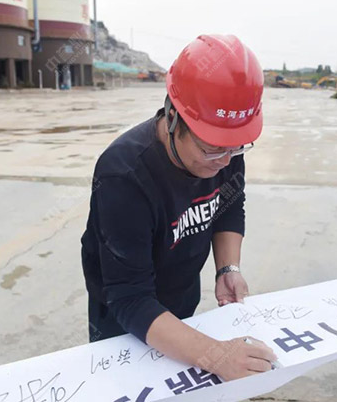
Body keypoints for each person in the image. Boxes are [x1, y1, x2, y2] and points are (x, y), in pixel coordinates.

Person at [81, 34, 277, 381]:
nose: (225, 161)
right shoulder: (123, 174)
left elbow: (230, 206)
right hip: (123, 320)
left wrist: (227, 268)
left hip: (182, 300)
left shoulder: (224, 143)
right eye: (211, 150)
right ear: (173, 118)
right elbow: (130, 298)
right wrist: (216, 356)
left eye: (237, 148)